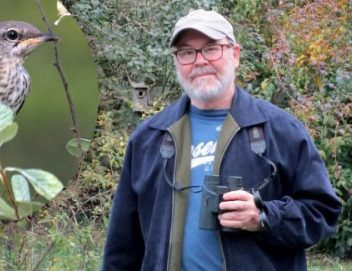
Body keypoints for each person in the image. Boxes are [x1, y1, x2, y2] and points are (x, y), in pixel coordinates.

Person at [102, 9, 342, 271]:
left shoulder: (281, 130)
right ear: (176, 62)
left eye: (211, 48)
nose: (199, 60)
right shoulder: (149, 138)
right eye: (186, 52)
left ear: (235, 54)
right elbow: (122, 245)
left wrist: (264, 216)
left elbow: (323, 212)